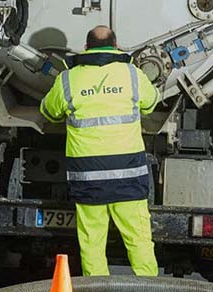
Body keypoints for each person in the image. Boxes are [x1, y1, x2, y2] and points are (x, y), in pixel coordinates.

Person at [39, 25, 160, 276]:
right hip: (128, 175)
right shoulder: (132, 74)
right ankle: (149, 285)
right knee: (138, 239)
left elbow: (48, 112)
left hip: (88, 177)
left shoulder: (68, 79)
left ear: (86, 47)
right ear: (116, 46)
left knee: (92, 243)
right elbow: (150, 104)